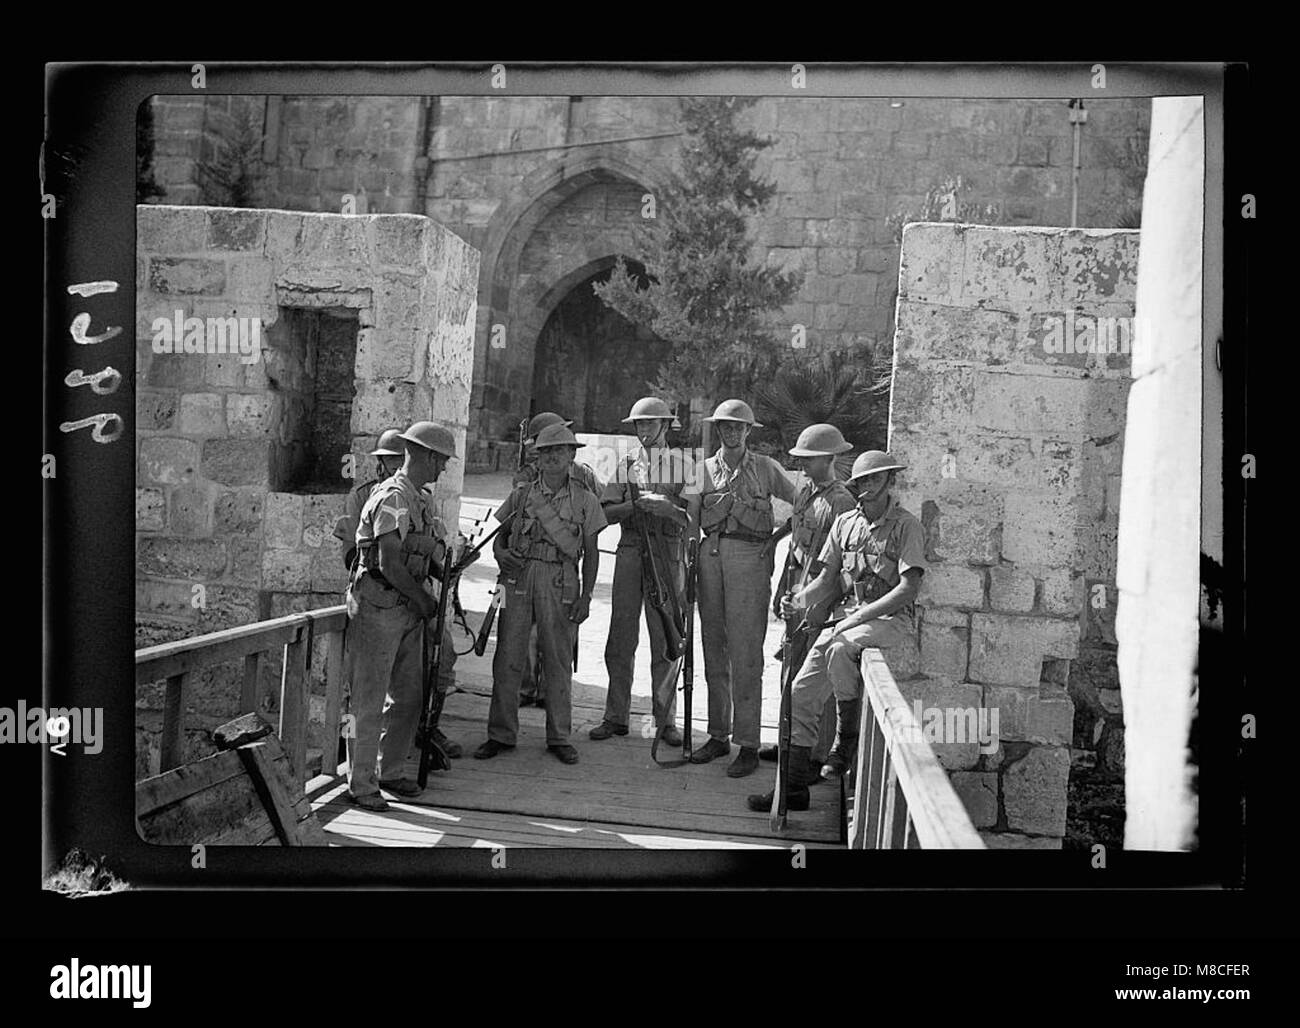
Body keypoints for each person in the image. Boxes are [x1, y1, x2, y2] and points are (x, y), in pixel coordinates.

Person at [746, 450, 926, 813]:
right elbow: (828, 579)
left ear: (890, 481)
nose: (867, 487)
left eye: (876, 479)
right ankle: (793, 788)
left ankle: (845, 742)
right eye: (861, 481)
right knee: (800, 692)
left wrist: (856, 619)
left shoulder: (907, 526)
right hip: (845, 620)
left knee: (842, 647)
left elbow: (908, 588)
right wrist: (797, 600)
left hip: (889, 621)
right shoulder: (846, 522)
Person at [343, 420, 459, 811]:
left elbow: (421, 555)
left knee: (408, 697)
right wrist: (423, 602)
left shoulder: (421, 500)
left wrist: (444, 572)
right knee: (368, 699)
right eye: (440, 460)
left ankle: (390, 772)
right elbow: (389, 564)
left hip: (407, 606)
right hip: (379, 605)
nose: (443, 469)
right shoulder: (392, 497)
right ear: (423, 456)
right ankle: (360, 783)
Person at [475, 423, 606, 765]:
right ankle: (501, 734)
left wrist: (587, 596)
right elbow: (498, 535)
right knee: (508, 656)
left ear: (571, 455)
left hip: (560, 580)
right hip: (518, 579)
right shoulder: (521, 495)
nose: (550, 457)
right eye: (545, 452)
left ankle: (560, 736)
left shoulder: (586, 500)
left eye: (558, 451)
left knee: (558, 659)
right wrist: (501, 554)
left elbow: (591, 553)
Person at [685, 399, 796, 778]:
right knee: (713, 647)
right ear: (718, 431)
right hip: (710, 557)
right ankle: (718, 734)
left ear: (749, 431)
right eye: (725, 427)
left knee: (746, 652)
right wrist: (688, 564)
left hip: (751, 559)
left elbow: (804, 502)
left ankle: (747, 743)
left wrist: (777, 538)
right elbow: (690, 521)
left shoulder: (765, 468)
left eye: (739, 427)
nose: (732, 433)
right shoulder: (701, 471)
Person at [589, 397, 690, 744]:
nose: (644, 431)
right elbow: (605, 513)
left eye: (650, 424)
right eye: (640, 425)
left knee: (665, 638)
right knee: (620, 637)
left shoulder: (684, 465)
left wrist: (667, 507)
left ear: (665, 425)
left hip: (668, 553)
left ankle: (665, 722)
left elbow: (693, 521)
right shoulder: (628, 465)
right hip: (631, 550)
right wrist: (634, 505)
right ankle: (615, 716)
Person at [759, 424, 858, 775]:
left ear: (830, 458)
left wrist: (817, 601)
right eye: (801, 460)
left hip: (819, 595)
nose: (802, 466)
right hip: (797, 588)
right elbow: (796, 537)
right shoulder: (806, 491)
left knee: (815, 678)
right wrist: (780, 588)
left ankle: (815, 757)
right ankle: (790, 742)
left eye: (810, 460)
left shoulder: (841, 501)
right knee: (790, 667)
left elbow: (838, 565)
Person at [511, 412, 603, 707]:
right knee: (526, 632)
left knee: (559, 637)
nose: (552, 453)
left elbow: (600, 513)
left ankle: (550, 691)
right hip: (529, 566)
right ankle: (526, 686)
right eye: (544, 446)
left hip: (564, 567)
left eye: (559, 446)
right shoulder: (526, 478)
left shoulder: (584, 476)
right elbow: (512, 520)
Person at [332, 428, 405, 570]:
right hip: (373, 583)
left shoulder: (421, 497)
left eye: (402, 458)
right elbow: (349, 554)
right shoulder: (360, 496)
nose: (398, 465)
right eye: (391, 458)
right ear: (380, 462)